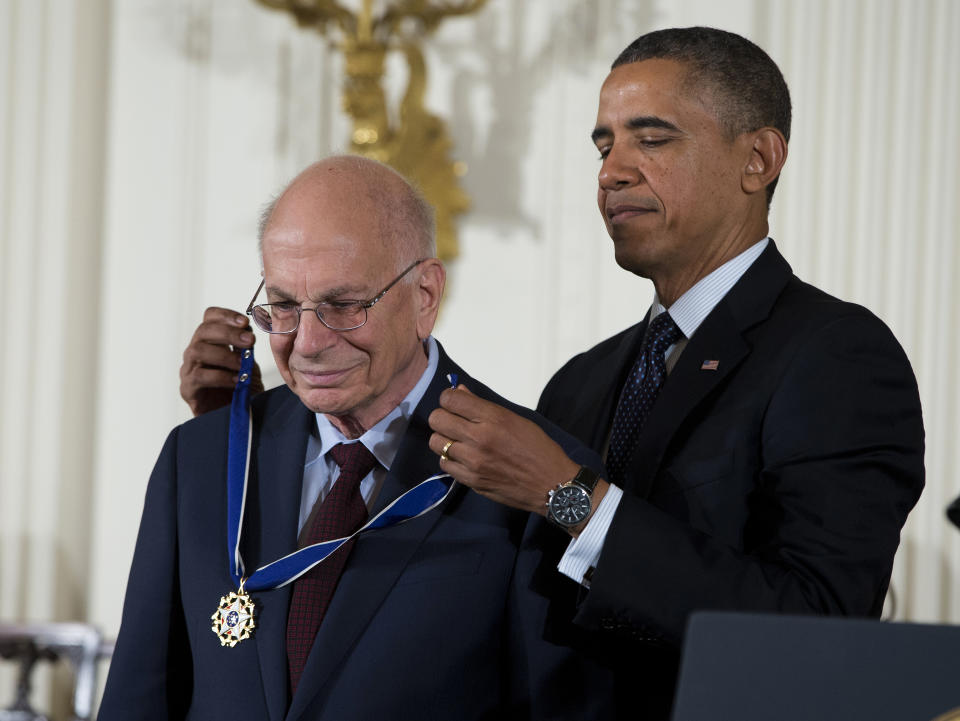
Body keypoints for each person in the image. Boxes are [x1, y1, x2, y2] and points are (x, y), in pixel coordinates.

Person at [176, 28, 926, 720]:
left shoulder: (837, 354)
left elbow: (818, 632)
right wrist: (249, 435)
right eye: (603, 146)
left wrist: (572, 499)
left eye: (651, 139)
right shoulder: (584, 381)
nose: (612, 172)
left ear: (758, 159)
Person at [100, 155, 614, 720]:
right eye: (285, 307)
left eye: (344, 306)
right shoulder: (199, 458)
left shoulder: (537, 473)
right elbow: (138, 698)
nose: (309, 343)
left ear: (424, 296)